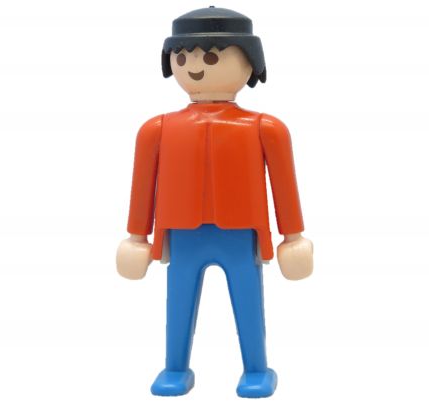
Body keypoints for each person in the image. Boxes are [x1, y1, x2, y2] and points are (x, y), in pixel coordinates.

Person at [116, 6, 313, 398]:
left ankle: (255, 369)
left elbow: (284, 184)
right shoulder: (156, 129)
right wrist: (137, 236)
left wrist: (293, 236)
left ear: (250, 63)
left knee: (248, 302)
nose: (194, 67)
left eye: (210, 57)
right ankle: (175, 367)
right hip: (181, 234)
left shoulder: (266, 127)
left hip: (241, 233)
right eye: (183, 57)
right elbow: (142, 185)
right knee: (178, 305)